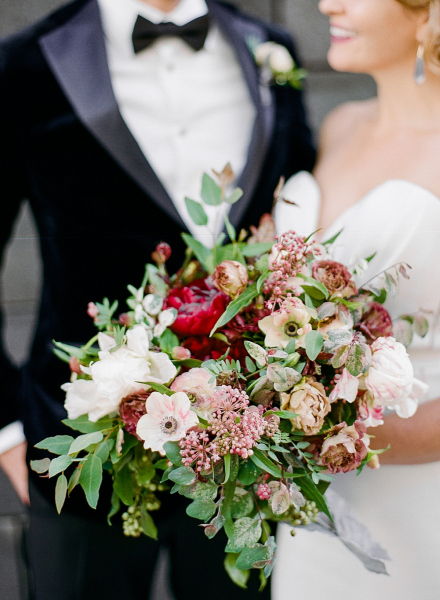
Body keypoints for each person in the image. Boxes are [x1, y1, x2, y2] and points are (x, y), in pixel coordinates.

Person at [0, 0, 315, 598]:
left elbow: (297, 214)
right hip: (81, 448)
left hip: (244, 454)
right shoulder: (28, 64)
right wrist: (7, 428)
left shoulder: (268, 50)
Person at [272, 1, 440, 598]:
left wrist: (323, 437)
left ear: (428, 15)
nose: (327, 4)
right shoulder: (338, 126)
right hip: (314, 513)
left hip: (421, 496)